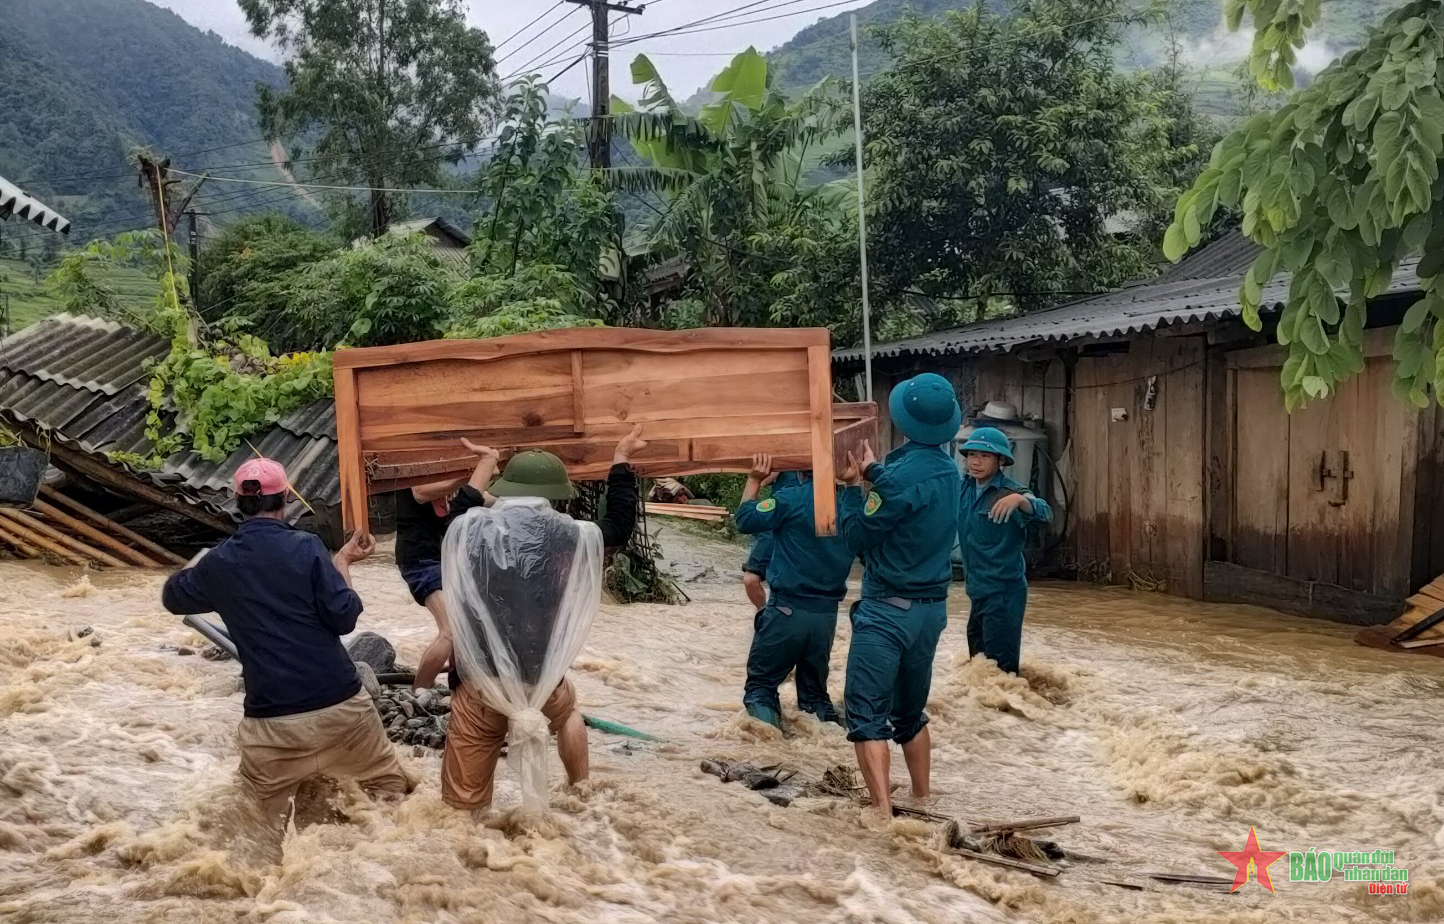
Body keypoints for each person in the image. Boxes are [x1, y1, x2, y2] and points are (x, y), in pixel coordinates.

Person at [161, 458, 410, 827]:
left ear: (236, 500)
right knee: (387, 797)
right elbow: (343, 618)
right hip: (339, 707)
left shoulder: (219, 563)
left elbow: (173, 596)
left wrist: (208, 565)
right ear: (285, 501)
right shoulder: (307, 548)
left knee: (256, 827)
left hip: (271, 722)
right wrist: (342, 562)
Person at [440, 427, 645, 813]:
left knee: (460, 811)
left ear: (507, 486)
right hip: (542, 678)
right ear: (556, 493)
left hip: (481, 684)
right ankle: (580, 790)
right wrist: (620, 458)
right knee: (568, 712)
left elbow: (456, 513)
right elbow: (619, 524)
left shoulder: (469, 531)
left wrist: (485, 463)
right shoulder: (574, 536)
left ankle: (465, 843)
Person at [837, 373, 962, 820]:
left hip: (888, 611)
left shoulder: (900, 476)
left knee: (866, 713)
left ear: (904, 420)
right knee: (911, 713)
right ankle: (923, 798)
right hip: (932, 613)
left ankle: (883, 815)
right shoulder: (951, 471)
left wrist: (853, 489)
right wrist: (874, 473)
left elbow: (856, 536)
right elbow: (904, 491)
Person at [734, 458, 853, 729]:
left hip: (787, 610)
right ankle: (829, 745)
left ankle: (773, 751)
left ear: (798, 470)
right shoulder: (850, 504)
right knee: (814, 697)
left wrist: (754, 480)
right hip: (825, 617)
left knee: (761, 688)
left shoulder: (790, 498)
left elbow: (745, 519)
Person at [395, 439, 498, 692]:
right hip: (421, 559)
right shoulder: (414, 466)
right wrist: (470, 473)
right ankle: (418, 692)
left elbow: (484, 499)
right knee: (451, 630)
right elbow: (421, 493)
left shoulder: (455, 485)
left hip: (449, 561)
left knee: (467, 630)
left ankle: (457, 689)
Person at [956, 427, 1052, 675]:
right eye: (972, 454)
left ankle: (1009, 713)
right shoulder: (963, 489)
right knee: (979, 670)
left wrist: (1022, 501)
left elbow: (1045, 513)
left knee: (1001, 674)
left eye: (985, 456)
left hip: (1003, 594)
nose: (976, 461)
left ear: (1001, 461)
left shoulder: (1011, 492)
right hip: (976, 591)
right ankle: (982, 715)